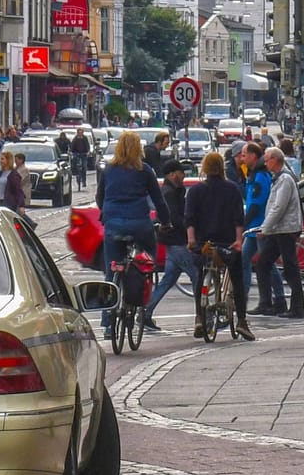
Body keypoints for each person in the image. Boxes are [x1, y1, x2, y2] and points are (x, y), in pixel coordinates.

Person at [96, 131, 165, 329]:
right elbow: (158, 200)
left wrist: (106, 212)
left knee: (111, 270)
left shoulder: (109, 170)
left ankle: (108, 321)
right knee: (149, 255)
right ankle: (144, 279)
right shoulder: (145, 170)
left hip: (113, 223)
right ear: (139, 149)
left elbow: (100, 197)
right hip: (139, 223)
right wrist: (166, 222)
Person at [186, 149, 250, 340]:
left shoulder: (195, 191)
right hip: (226, 243)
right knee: (237, 279)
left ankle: (199, 317)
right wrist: (238, 241)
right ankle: (242, 321)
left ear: (204, 168)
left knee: (200, 276)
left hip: (203, 243)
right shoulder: (232, 189)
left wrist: (191, 240)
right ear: (222, 167)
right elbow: (238, 218)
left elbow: (189, 218)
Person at [142, 160, 194, 331]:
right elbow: (175, 218)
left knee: (167, 281)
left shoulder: (174, 190)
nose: (183, 176)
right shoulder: (169, 192)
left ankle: (146, 313)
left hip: (173, 242)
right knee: (198, 278)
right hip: (177, 241)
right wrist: (189, 229)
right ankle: (206, 315)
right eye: (181, 172)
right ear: (172, 174)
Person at [258, 146, 304, 321]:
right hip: (279, 229)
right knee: (263, 263)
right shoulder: (277, 178)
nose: (265, 162)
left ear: (276, 160)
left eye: (267, 158)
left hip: (286, 229)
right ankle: (267, 303)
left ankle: (297, 307)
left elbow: (279, 207)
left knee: (291, 267)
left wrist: (265, 228)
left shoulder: (284, 179)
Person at [239, 141, 281, 317]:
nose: (242, 158)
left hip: (259, 227)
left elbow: (256, 203)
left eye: (244, 155)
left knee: (266, 264)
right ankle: (244, 296)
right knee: (245, 260)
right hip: (254, 228)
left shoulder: (260, 176)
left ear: (253, 156)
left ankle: (278, 299)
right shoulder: (253, 174)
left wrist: (243, 223)